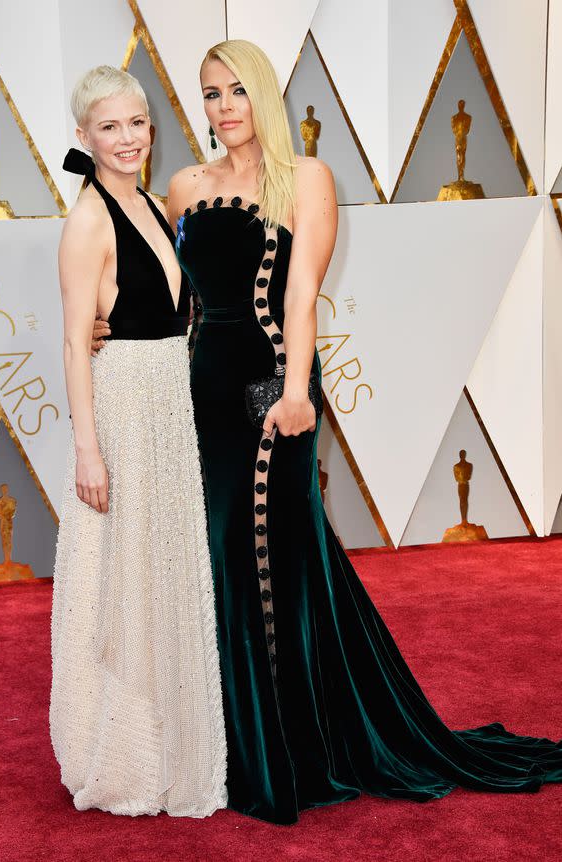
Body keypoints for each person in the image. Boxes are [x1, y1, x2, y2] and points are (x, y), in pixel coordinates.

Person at [93, 42, 562, 825]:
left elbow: (302, 296)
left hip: (269, 390)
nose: (223, 107)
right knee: (207, 557)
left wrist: (298, 392)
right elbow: (177, 299)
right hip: (195, 389)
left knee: (268, 556)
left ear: (264, 96)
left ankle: (286, 744)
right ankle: (216, 742)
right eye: (209, 95)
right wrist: (118, 324)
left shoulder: (303, 178)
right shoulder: (183, 185)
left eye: (237, 90)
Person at [50, 65, 226, 817]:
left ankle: (171, 737)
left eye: (138, 124)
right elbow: (71, 341)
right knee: (118, 578)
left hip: (167, 404)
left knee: (161, 572)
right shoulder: (89, 217)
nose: (127, 139)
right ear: (84, 137)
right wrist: (88, 451)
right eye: (110, 127)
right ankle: (117, 751)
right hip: (122, 407)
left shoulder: (153, 203)